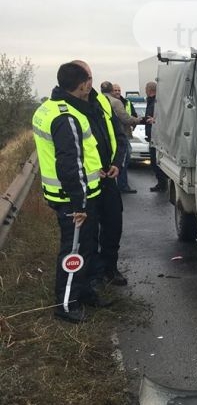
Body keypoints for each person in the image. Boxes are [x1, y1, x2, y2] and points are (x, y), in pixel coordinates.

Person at [31, 62, 109, 322]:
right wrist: (80, 204)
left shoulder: (49, 108)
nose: (91, 84)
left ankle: (83, 291)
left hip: (72, 196)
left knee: (84, 247)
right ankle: (65, 305)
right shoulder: (66, 117)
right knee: (73, 251)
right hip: (73, 200)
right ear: (84, 84)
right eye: (89, 80)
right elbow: (69, 164)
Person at [72, 61, 129, 287]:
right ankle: (91, 274)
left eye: (89, 77)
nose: (88, 82)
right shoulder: (67, 107)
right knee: (88, 232)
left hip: (108, 179)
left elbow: (119, 137)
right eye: (84, 78)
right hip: (84, 182)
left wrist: (117, 163)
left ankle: (110, 268)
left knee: (113, 224)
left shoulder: (103, 103)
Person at [102, 81, 140, 194]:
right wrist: (139, 120)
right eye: (115, 90)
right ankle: (122, 185)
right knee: (123, 159)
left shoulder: (98, 100)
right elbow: (125, 119)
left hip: (106, 136)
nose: (117, 92)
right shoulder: (116, 102)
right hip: (120, 135)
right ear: (111, 91)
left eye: (119, 90)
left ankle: (114, 184)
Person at [144, 81, 167, 192]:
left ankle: (162, 184)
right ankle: (162, 183)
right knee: (155, 162)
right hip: (153, 137)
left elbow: (163, 118)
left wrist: (154, 121)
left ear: (148, 90)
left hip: (156, 138)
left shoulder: (155, 103)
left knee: (155, 162)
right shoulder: (153, 102)